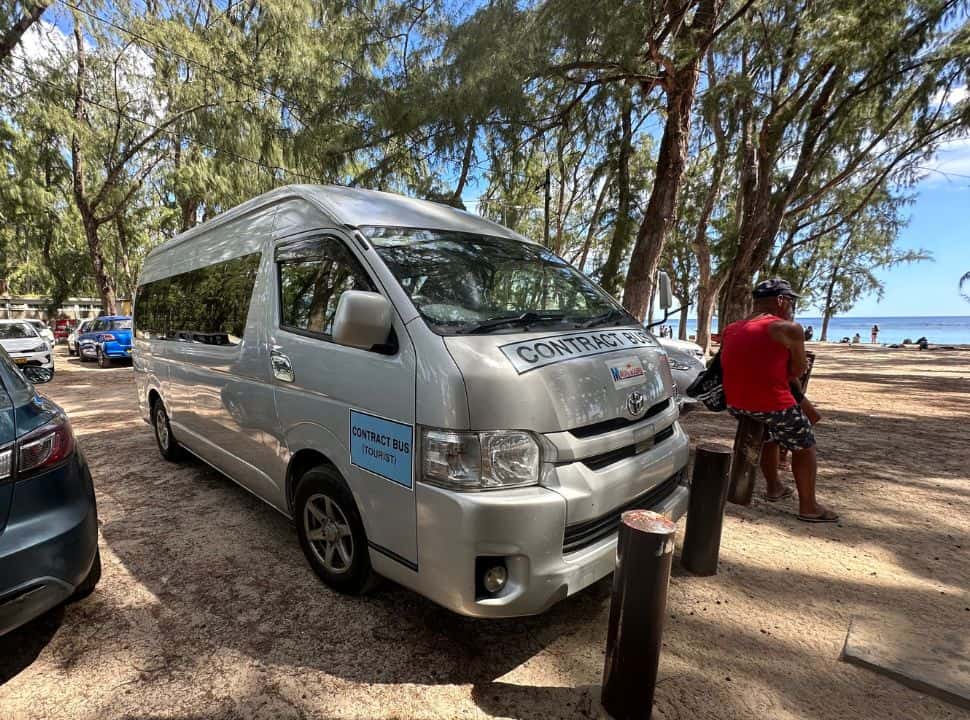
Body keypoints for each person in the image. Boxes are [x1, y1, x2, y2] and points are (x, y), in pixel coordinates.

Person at [720, 279, 838, 523]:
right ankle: (809, 507)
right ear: (781, 301)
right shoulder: (788, 329)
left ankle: (775, 487)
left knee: (771, 437)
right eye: (791, 301)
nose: (792, 306)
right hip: (771, 403)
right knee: (805, 446)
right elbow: (797, 369)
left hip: (736, 402)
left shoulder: (732, 328)